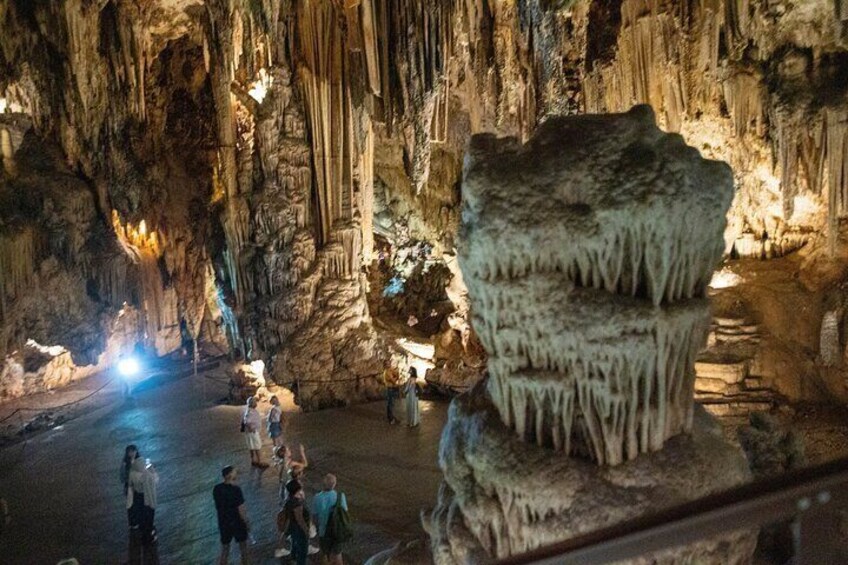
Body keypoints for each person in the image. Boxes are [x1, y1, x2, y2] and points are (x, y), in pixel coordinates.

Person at [214, 466, 251, 565]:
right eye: (234, 472)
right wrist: (247, 522)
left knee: (225, 548)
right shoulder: (236, 490)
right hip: (237, 522)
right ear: (229, 475)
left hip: (223, 522)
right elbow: (241, 509)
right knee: (243, 548)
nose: (236, 473)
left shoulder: (217, 489)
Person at [312, 474, 348, 564]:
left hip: (323, 531)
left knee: (324, 553)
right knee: (337, 554)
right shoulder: (341, 496)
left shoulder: (317, 498)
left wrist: (317, 529)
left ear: (323, 484)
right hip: (337, 530)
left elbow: (315, 517)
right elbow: (345, 512)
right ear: (334, 484)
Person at [127, 456, 159, 546]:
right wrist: (151, 468)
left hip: (137, 496)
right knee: (148, 515)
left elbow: (130, 483)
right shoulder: (145, 475)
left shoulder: (132, 473)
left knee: (141, 515)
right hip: (147, 497)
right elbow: (155, 480)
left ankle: (142, 531)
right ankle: (148, 536)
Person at [279, 480, 311, 565]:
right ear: (297, 490)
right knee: (302, 551)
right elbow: (300, 519)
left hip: (293, 527)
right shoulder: (296, 504)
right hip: (299, 529)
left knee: (295, 542)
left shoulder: (289, 500)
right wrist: (306, 531)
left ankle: (293, 557)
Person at [242, 397, 267, 468]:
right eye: (255, 402)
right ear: (252, 403)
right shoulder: (251, 412)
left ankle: (253, 460)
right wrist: (252, 428)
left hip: (250, 432)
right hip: (253, 432)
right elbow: (247, 421)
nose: (256, 404)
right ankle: (260, 462)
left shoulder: (249, 411)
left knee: (252, 447)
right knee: (257, 446)